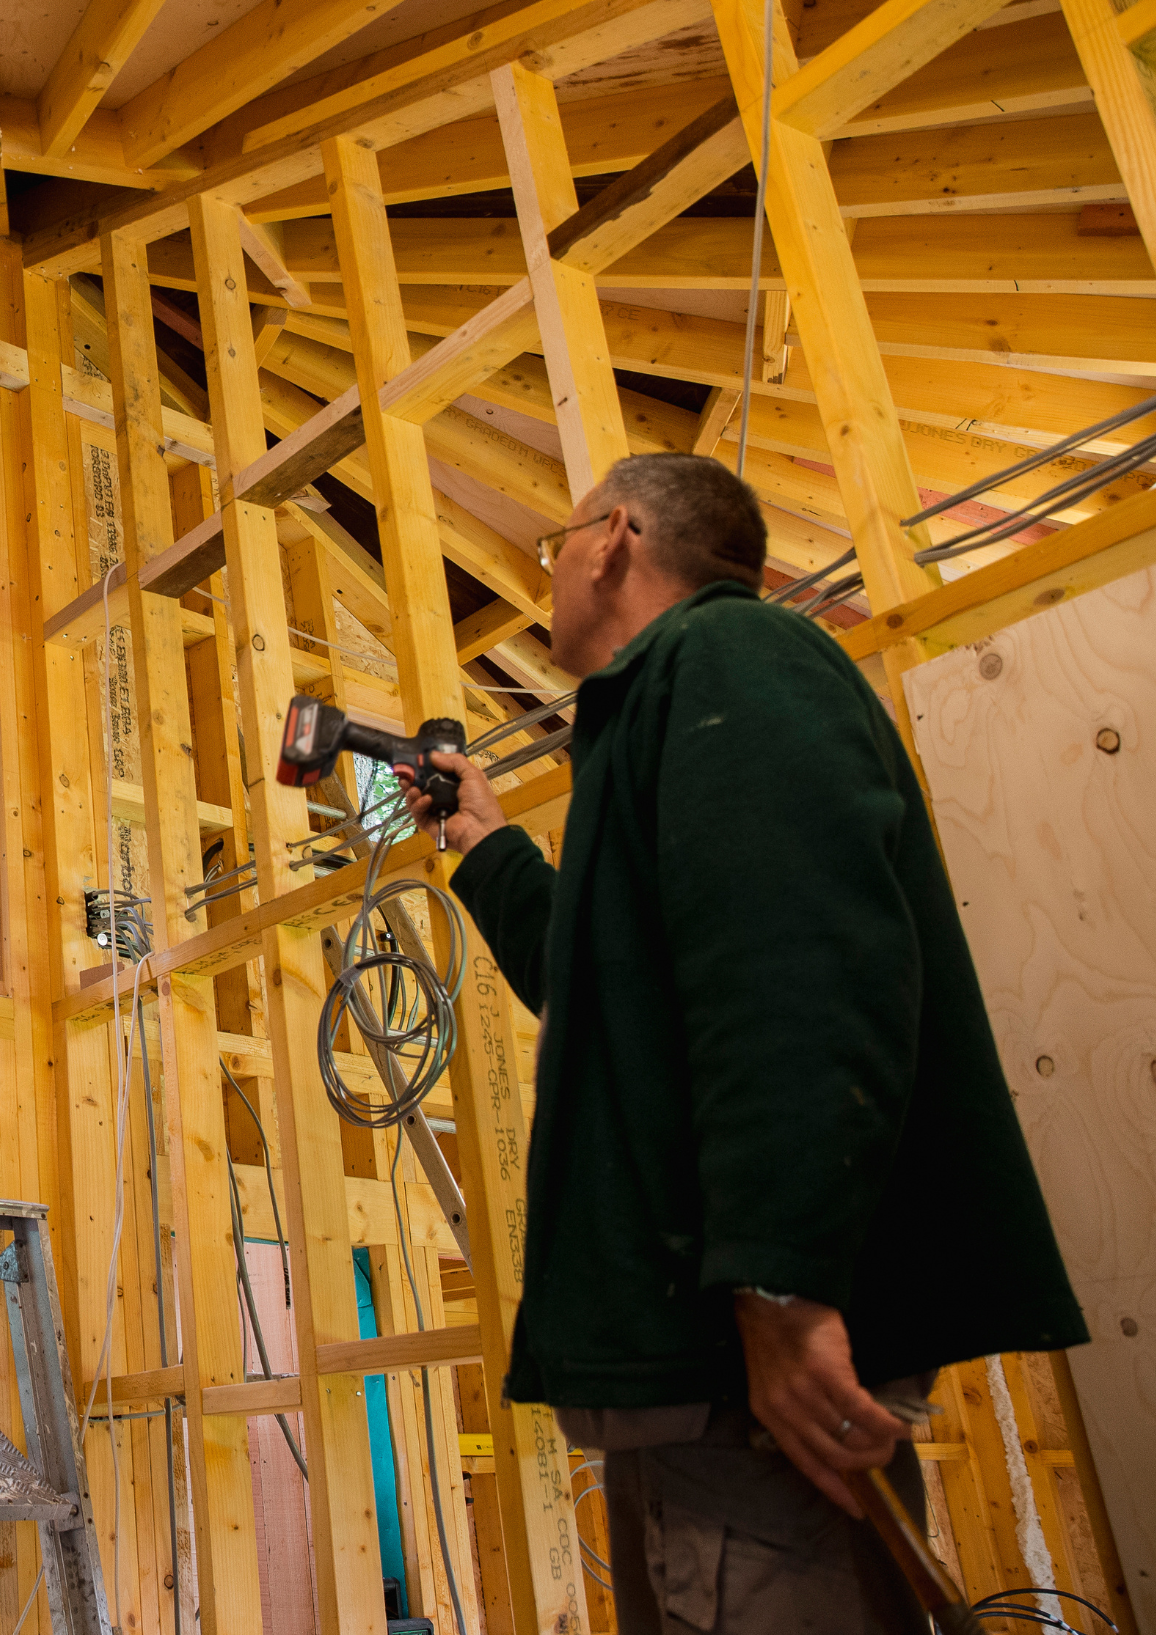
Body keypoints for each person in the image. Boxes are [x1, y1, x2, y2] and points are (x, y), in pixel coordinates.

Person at [400, 454, 1085, 1633]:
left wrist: (779, 1281)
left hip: (739, 1368)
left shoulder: (733, 658)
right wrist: (486, 846)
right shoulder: (670, 705)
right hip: (696, 1382)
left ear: (611, 536)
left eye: (556, 541)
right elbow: (610, 987)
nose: (549, 568)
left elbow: (799, 964)